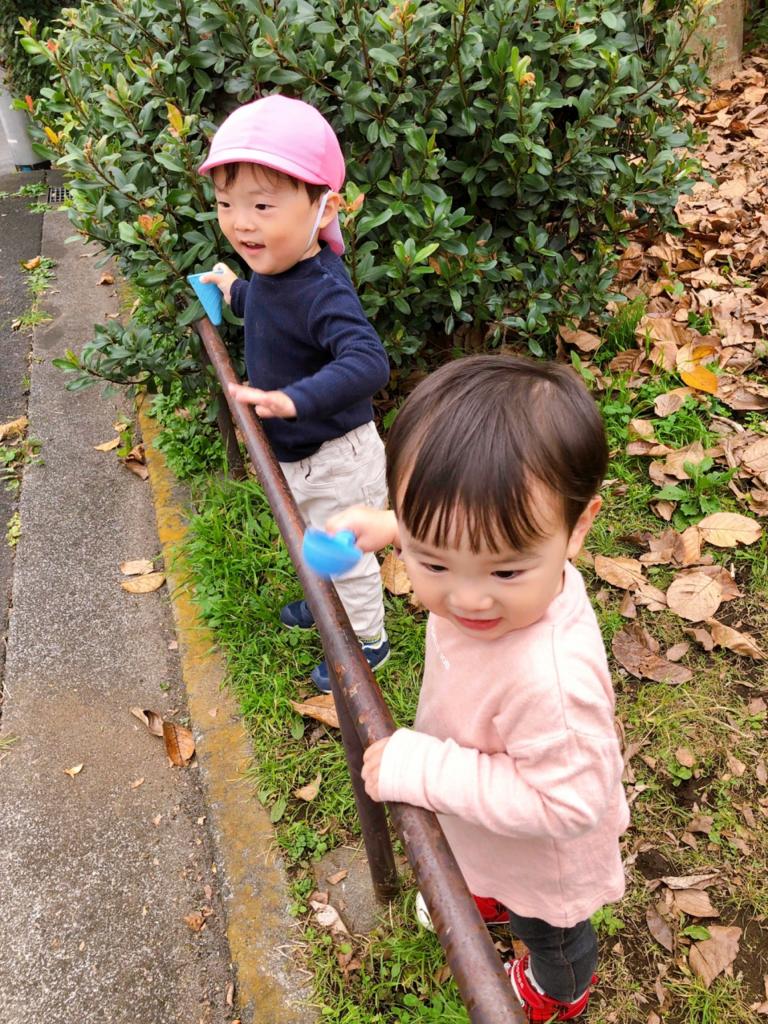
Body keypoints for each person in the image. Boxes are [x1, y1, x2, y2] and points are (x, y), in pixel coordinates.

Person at [326, 355, 630, 1021]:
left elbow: (567, 805)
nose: (466, 597)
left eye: (505, 570)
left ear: (578, 528)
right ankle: (483, 887)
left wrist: (426, 767)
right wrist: (389, 531)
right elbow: (461, 538)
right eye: (432, 558)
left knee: (549, 929)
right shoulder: (497, 564)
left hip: (541, 854)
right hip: (489, 815)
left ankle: (559, 989)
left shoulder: (551, 682)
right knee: (483, 859)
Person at [196, 94, 391, 693]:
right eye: (227, 204)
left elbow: (368, 362)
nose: (241, 222)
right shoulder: (274, 273)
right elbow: (265, 312)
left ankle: (366, 640)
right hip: (300, 454)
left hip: (336, 456)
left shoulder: (322, 289)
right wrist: (233, 289)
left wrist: (295, 399)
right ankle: (323, 595)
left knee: (347, 550)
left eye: (261, 205)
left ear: (323, 206)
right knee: (311, 533)